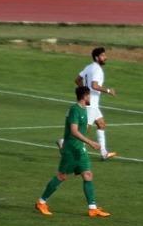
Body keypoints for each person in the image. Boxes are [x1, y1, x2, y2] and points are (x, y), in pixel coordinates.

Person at [36, 86, 111, 217]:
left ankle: (92, 208)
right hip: (70, 149)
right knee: (61, 176)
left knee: (87, 174)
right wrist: (91, 142)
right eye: (89, 95)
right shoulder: (74, 110)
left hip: (80, 149)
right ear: (84, 96)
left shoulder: (83, 110)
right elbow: (74, 131)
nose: (90, 98)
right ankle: (41, 202)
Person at [69, 47, 117, 160]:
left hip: (92, 103)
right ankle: (65, 143)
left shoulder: (89, 67)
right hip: (91, 104)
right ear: (97, 57)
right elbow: (94, 85)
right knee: (84, 130)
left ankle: (104, 153)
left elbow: (77, 80)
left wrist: (84, 92)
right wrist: (109, 91)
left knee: (101, 124)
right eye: (103, 56)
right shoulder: (97, 70)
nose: (106, 58)